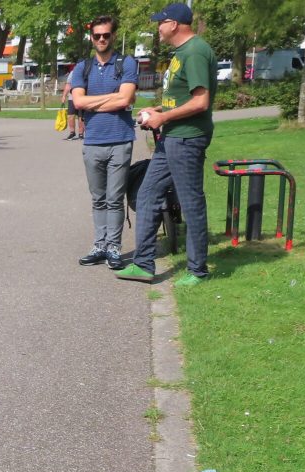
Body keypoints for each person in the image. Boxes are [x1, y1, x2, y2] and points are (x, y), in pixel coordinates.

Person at [117, 2, 218, 287]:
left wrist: (164, 118)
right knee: (148, 195)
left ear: (174, 24)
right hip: (172, 137)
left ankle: (198, 270)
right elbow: (181, 97)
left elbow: (201, 101)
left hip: (187, 138)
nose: (158, 28)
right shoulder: (180, 53)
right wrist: (158, 111)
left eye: (161, 23)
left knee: (191, 201)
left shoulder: (195, 51)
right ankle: (144, 264)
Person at [70, 16, 139, 271]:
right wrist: (115, 97)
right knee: (98, 199)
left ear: (113, 36)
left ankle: (114, 248)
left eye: (106, 35)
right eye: (97, 35)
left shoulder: (126, 63)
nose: (101, 39)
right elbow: (78, 103)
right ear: (91, 37)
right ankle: (99, 245)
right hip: (93, 142)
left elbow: (126, 99)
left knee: (114, 198)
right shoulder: (82, 68)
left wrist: (95, 100)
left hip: (120, 141)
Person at [60, 68, 85, 140]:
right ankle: (72, 133)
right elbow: (68, 85)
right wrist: (64, 96)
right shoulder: (73, 73)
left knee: (81, 117)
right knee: (70, 116)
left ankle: (81, 134)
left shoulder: (87, 72)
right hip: (72, 97)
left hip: (83, 97)